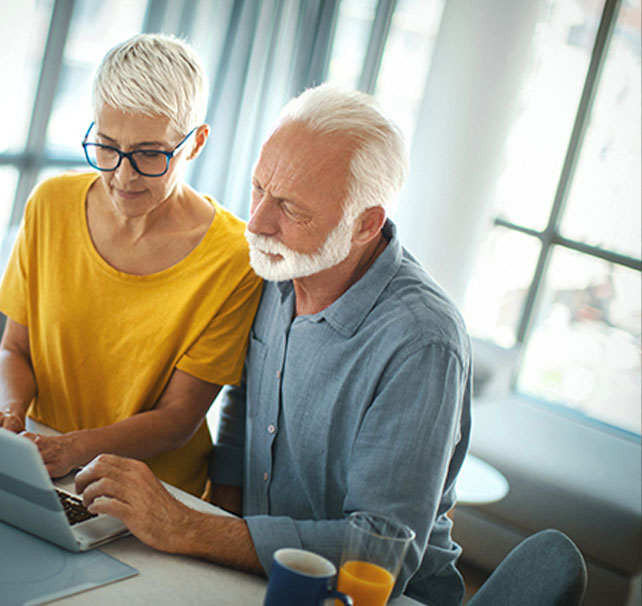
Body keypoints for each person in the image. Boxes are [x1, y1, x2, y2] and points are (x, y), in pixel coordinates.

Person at [74, 83, 472, 606]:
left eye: (289, 207)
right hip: (253, 573)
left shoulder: (422, 342)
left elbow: (377, 553)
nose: (258, 224)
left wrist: (189, 528)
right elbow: (244, 409)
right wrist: (216, 529)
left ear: (365, 224)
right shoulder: (278, 267)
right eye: (258, 189)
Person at [0, 33, 263, 497]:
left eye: (150, 153)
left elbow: (178, 420)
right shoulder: (51, 205)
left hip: (151, 498)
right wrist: (9, 412)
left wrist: (74, 449)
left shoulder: (234, 258)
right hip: (42, 467)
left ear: (195, 144)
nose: (122, 175)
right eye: (107, 145)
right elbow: (16, 350)